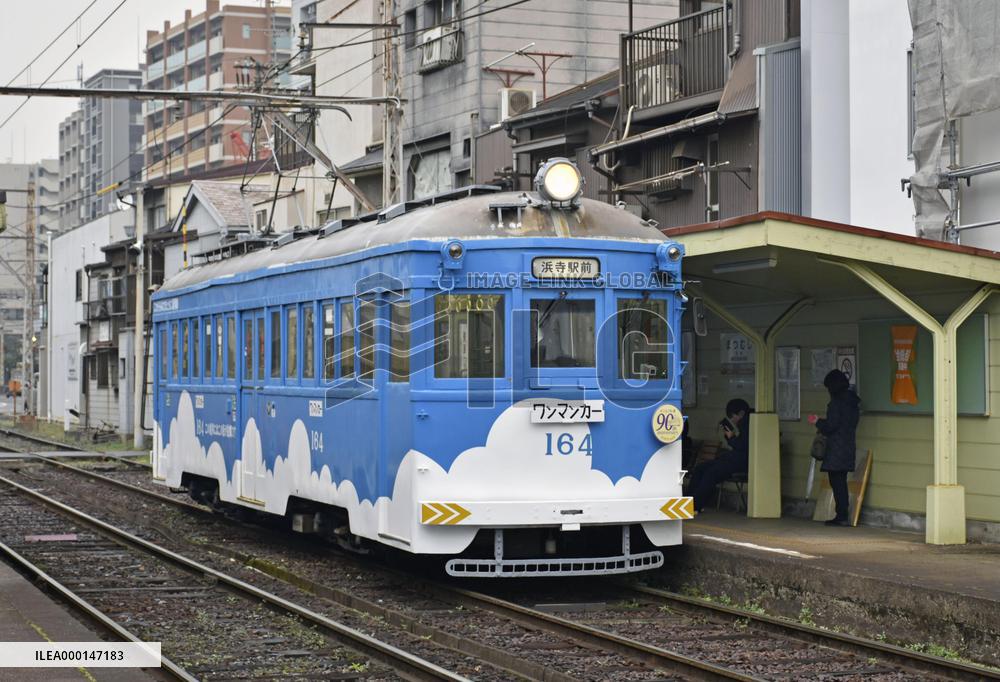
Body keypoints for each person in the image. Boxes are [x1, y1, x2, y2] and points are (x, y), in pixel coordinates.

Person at [808, 369, 861, 527]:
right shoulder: (853, 401)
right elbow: (844, 423)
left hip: (836, 447)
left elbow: (831, 426)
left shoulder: (836, 402)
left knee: (837, 482)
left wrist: (817, 421)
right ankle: (842, 514)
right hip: (848, 443)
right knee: (841, 481)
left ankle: (841, 515)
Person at [687, 399, 751, 512]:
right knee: (703, 469)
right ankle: (692, 504)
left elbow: (743, 446)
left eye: (733, 416)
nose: (733, 420)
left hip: (739, 462)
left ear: (741, 413)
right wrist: (731, 437)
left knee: (709, 472)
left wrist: (731, 437)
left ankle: (692, 505)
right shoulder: (747, 423)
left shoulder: (747, 424)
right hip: (734, 460)